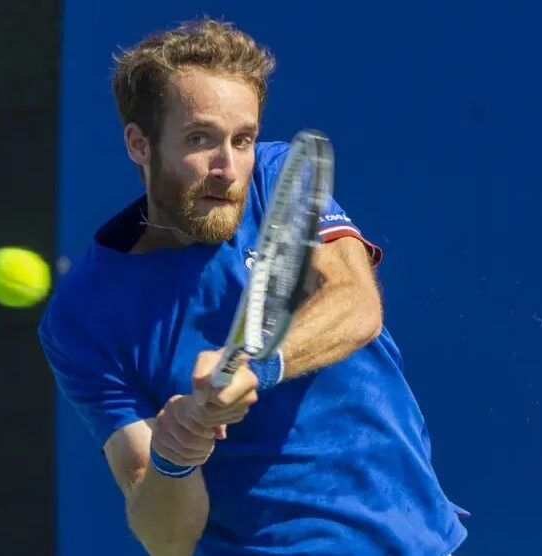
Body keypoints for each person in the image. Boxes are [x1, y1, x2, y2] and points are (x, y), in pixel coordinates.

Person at [39, 18, 468, 556]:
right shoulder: (81, 317)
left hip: (414, 539)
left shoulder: (276, 176)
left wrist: (257, 363)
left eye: (242, 140)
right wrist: (176, 455)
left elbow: (356, 304)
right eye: (200, 139)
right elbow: (166, 539)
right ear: (139, 143)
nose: (228, 168)